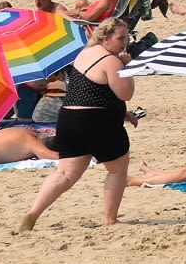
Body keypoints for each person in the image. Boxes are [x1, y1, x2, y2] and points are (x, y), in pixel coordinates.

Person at [18, 17, 140, 232]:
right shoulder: (112, 61)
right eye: (121, 38)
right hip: (98, 123)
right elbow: (125, 92)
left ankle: (32, 213)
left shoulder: (84, 54)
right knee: (117, 170)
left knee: (64, 174)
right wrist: (127, 66)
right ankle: (110, 219)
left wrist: (122, 113)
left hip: (69, 120)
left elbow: (92, 93)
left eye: (126, 37)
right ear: (106, 38)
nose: (125, 43)